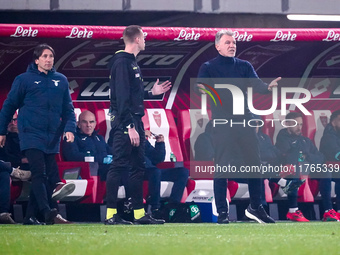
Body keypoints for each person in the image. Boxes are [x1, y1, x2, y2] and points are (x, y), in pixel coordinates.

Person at [197, 29, 280, 224]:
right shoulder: (208, 66)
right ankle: (222, 213)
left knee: (255, 166)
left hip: (245, 122)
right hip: (223, 124)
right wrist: (203, 89)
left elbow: (258, 85)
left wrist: (268, 88)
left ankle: (256, 208)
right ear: (217, 46)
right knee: (222, 168)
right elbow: (199, 85)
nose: (232, 45)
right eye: (227, 43)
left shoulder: (244, 66)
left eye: (234, 42)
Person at [0, 44, 76, 225]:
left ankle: (30, 217)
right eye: (44, 56)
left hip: (52, 135)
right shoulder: (23, 80)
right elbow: (9, 106)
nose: (48, 59)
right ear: (36, 60)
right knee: (38, 173)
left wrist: (70, 128)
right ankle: (49, 212)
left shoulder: (61, 80)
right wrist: (1, 130)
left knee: (45, 176)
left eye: (51, 56)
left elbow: (68, 109)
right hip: (30, 133)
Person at [105, 25, 171, 225]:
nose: (145, 40)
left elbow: (133, 95)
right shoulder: (122, 62)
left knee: (138, 168)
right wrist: (129, 127)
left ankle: (139, 214)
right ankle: (110, 215)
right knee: (118, 166)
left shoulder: (131, 62)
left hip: (135, 122)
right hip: (126, 123)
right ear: (136, 39)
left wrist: (152, 93)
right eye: (144, 37)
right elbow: (123, 98)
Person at [276, 111, 339, 222]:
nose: (299, 127)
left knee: (325, 170)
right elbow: (286, 157)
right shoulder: (282, 139)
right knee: (293, 168)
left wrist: (306, 155)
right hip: (289, 172)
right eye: (296, 124)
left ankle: (328, 211)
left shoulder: (305, 140)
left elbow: (321, 158)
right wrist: (301, 155)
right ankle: (293, 210)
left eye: (301, 124)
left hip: (309, 170)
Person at [144, 130, 189, 219]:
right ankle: (155, 209)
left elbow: (158, 158)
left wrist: (160, 144)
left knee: (183, 172)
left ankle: (173, 206)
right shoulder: (120, 134)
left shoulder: (143, 141)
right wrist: (140, 135)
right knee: (155, 172)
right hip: (137, 171)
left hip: (152, 170)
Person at [62, 110, 112, 181]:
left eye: (91, 122)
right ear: (78, 124)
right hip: (87, 170)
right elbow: (73, 156)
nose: (88, 125)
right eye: (84, 122)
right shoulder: (72, 138)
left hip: (104, 169)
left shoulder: (99, 138)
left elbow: (110, 150)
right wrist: (100, 159)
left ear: (95, 124)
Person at [319, 110, 340, 220]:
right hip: (323, 169)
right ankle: (328, 210)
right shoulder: (328, 137)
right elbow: (336, 154)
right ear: (333, 122)